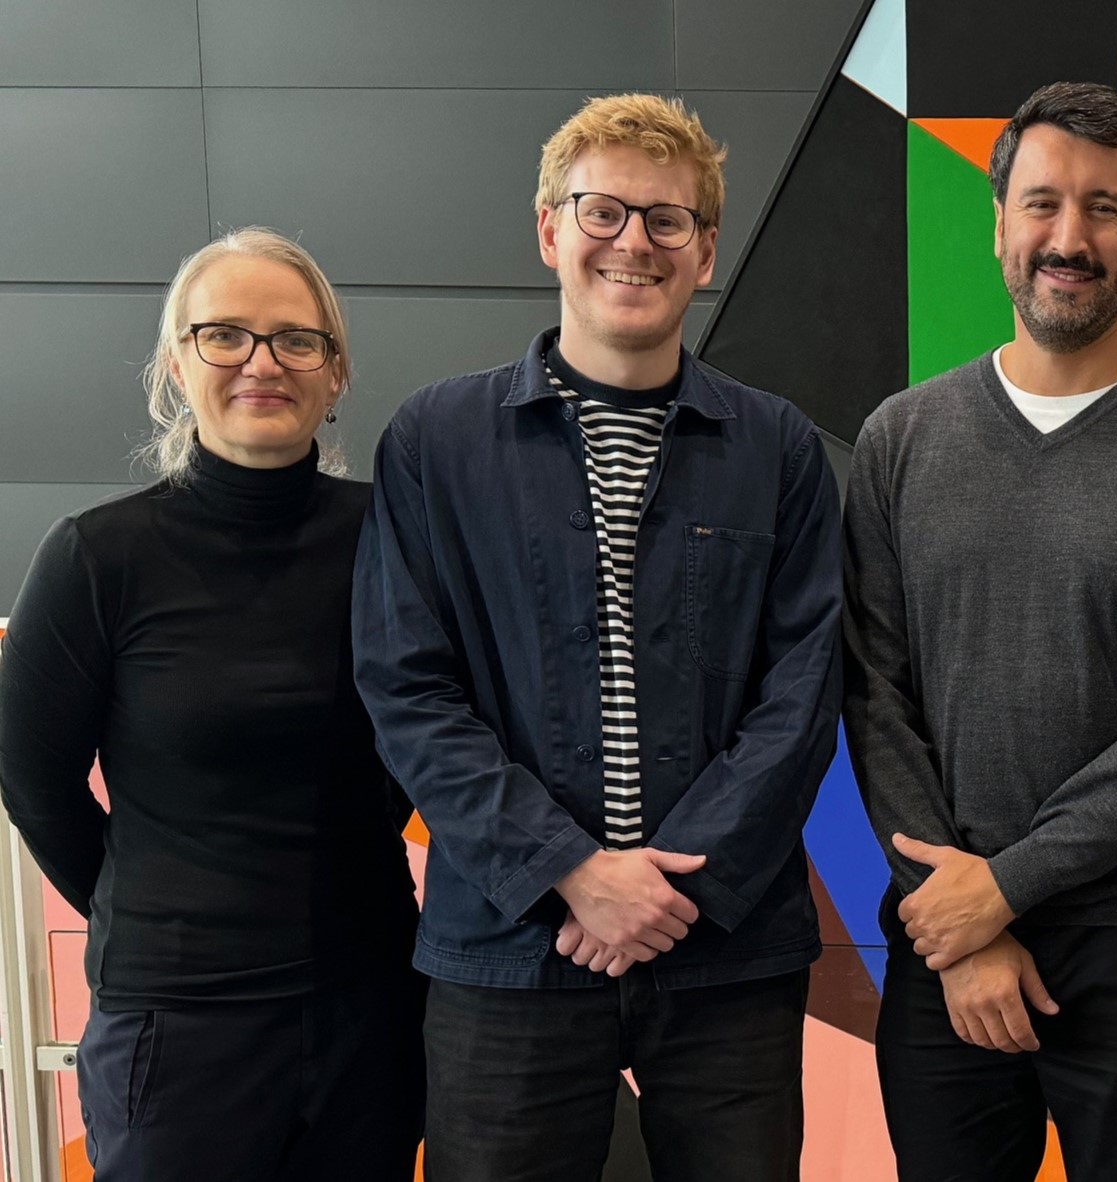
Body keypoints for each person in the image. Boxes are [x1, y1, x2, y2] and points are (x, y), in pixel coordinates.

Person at [351, 93, 841, 1182]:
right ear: (548, 230)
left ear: (705, 250)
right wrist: (570, 869)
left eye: (667, 221)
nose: (634, 241)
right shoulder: (436, 441)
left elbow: (803, 688)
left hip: (725, 950)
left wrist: (667, 893)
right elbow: (406, 685)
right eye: (602, 211)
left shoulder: (779, 449)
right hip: (508, 947)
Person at [843, 80, 1117, 1182]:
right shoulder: (901, 438)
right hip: (941, 939)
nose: (1069, 236)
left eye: (1103, 206)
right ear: (996, 222)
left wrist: (1004, 888)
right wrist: (957, 916)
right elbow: (870, 688)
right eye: (1041, 203)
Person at [0, 229, 422, 1181]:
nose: (261, 363)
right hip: (177, 1032)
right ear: (174, 364)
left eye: (294, 340)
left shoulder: (396, 541)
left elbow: (424, 743)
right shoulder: (96, 558)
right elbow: (35, 780)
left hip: (369, 1010)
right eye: (224, 335)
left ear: (336, 370)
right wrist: (147, 902)